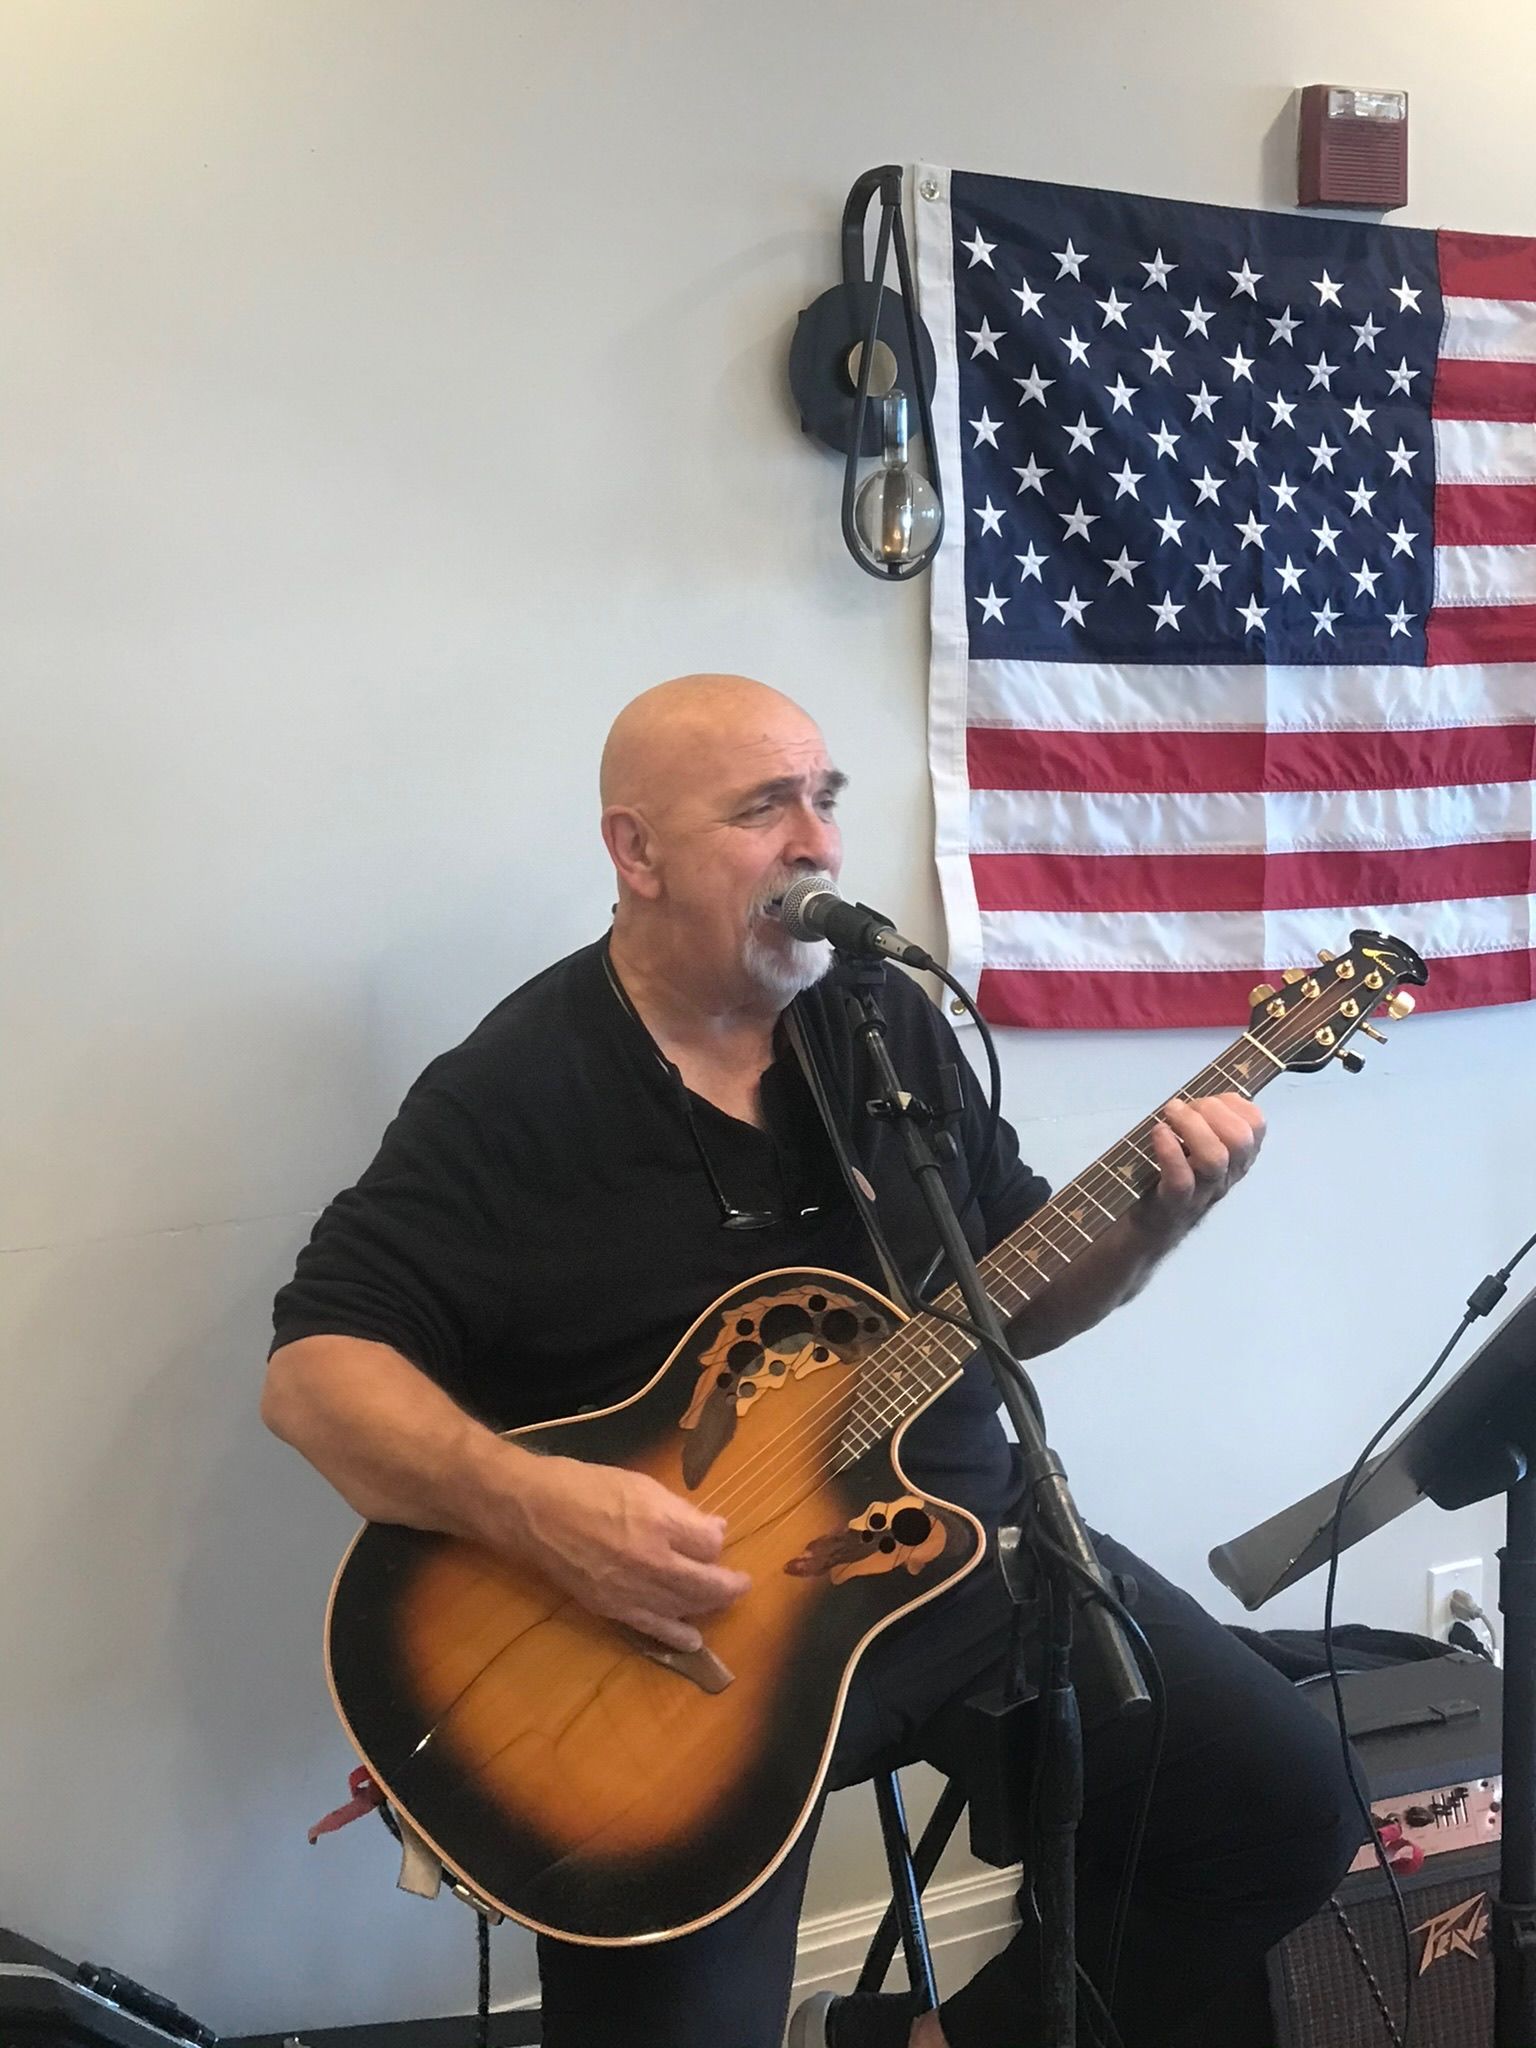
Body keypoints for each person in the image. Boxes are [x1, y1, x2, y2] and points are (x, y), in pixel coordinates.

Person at [263, 673, 1359, 2048]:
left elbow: (1009, 1303)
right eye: (762, 808)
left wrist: (1154, 1223)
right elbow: (316, 1372)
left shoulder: (884, 1025)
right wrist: (543, 1510)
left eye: (825, 800)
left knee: (1278, 1815)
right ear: (637, 852)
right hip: (675, 1648)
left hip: (957, 1555)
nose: (818, 845)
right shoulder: (515, 1093)